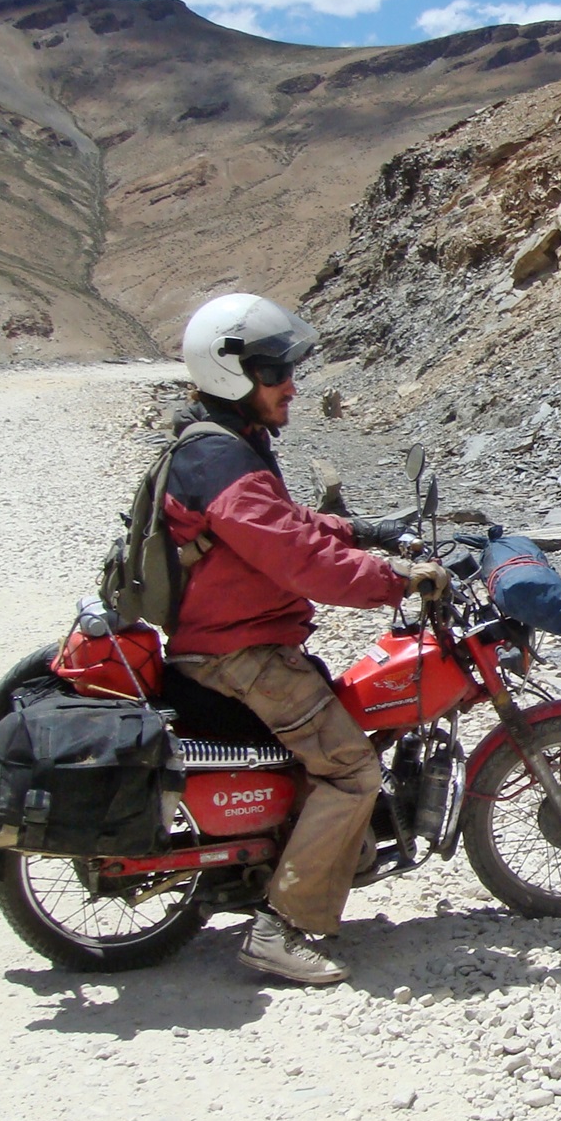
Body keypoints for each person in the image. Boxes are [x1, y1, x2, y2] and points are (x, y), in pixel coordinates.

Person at [164, 293, 448, 984]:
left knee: (341, 722)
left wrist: (365, 532)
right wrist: (395, 581)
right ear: (234, 374)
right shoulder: (219, 462)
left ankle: (328, 855)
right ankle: (283, 928)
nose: (290, 385)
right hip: (238, 652)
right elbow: (299, 561)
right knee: (352, 768)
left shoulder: (226, 445)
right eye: (274, 373)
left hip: (241, 637)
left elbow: (288, 525)